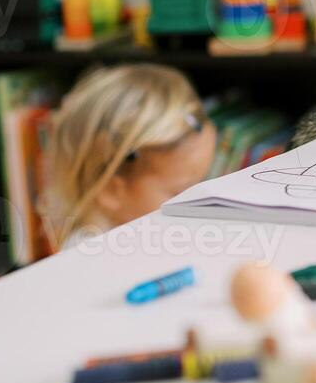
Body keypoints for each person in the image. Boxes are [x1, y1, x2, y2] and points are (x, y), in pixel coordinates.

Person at [42, 64, 216, 247]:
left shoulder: (152, 232)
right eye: (183, 192)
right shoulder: (90, 258)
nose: (204, 204)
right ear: (110, 190)